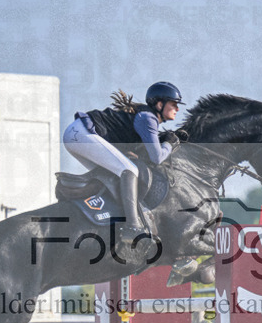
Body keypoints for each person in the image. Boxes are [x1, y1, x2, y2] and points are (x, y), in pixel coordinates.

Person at [62, 81, 184, 246]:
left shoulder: (146, 116)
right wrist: (169, 144)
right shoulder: (148, 118)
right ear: (160, 104)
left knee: (114, 175)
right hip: (81, 134)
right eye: (174, 104)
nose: (177, 109)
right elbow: (157, 157)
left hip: (76, 134)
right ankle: (132, 227)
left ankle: (102, 221)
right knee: (129, 170)